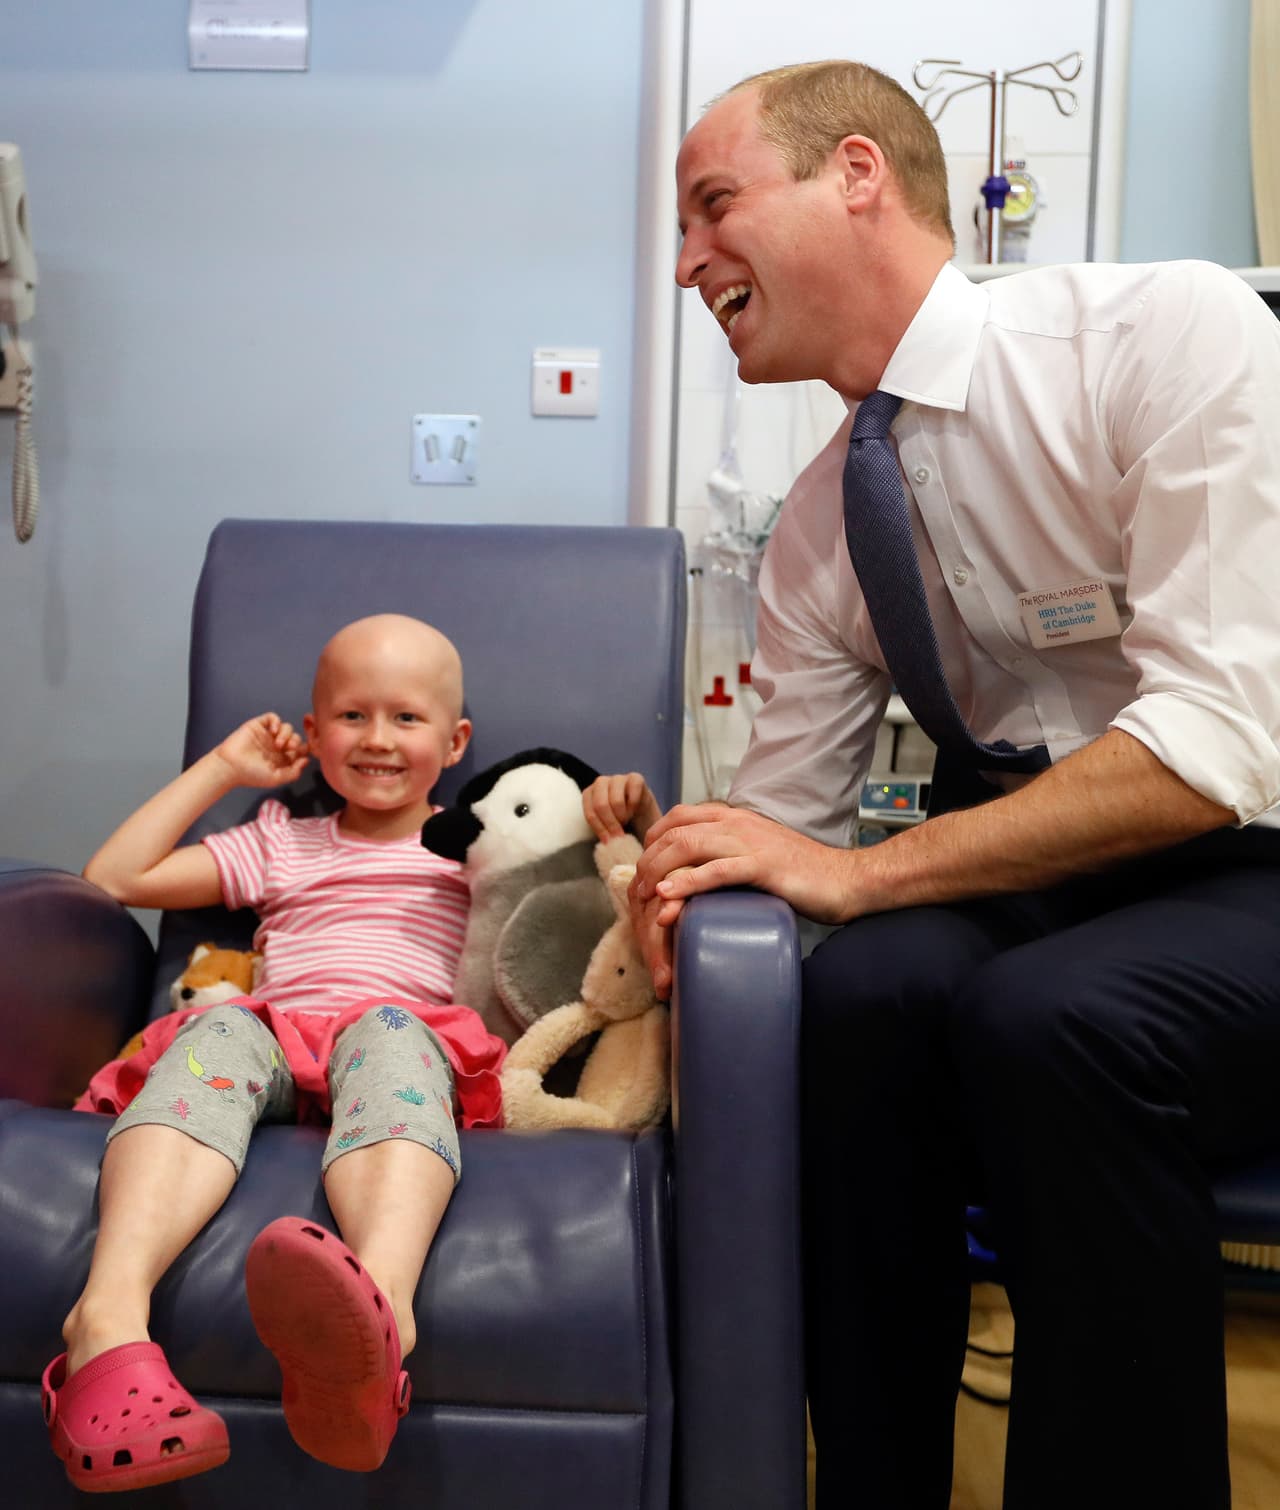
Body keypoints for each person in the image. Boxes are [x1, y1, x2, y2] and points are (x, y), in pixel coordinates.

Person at [627, 60, 1280, 1510]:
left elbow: (1216, 742)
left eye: (714, 205)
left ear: (856, 174)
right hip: (1041, 877)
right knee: (858, 997)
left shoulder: (1160, 338)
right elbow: (786, 836)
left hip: (1250, 862)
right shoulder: (819, 532)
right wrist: (689, 891)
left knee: (1053, 1017)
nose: (685, 264)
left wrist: (861, 874)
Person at [45, 613, 508, 1493]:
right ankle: (104, 1322)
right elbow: (113, 878)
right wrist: (225, 768)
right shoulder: (280, 840)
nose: (378, 739)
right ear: (312, 730)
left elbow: (569, 917)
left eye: (407, 718)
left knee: (393, 1031)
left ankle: (379, 1325)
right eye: (352, 716)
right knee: (218, 1029)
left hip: (393, 1033)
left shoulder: (478, 849)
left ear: (455, 743)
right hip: (274, 1030)